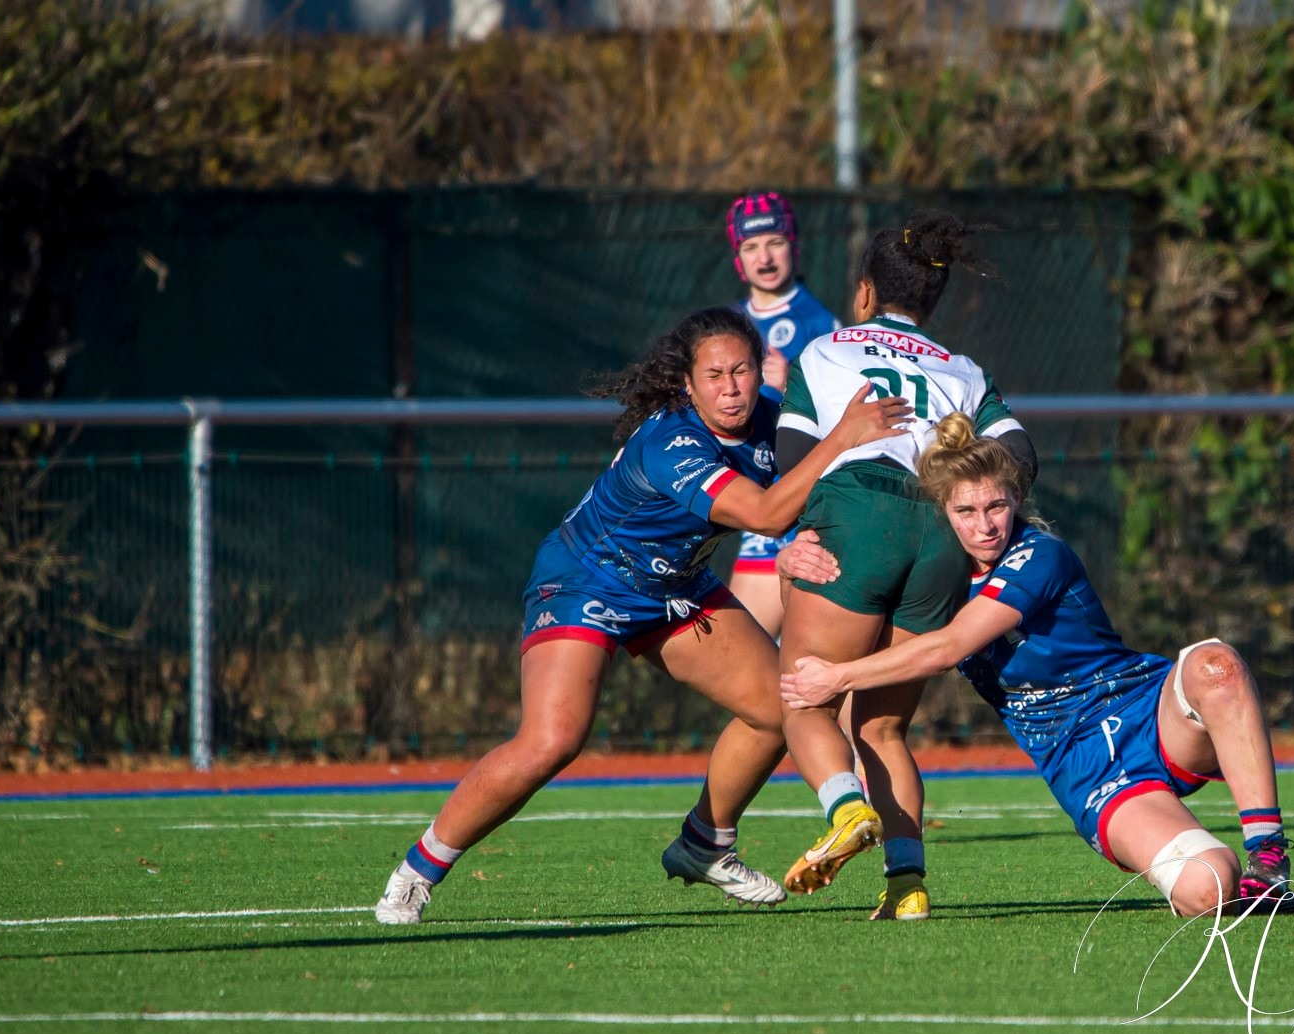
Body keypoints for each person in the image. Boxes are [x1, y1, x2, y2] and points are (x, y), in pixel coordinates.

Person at [374, 305, 909, 924]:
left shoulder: (772, 417)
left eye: (742, 371)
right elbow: (763, 514)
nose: (731, 388)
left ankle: (706, 843)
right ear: (687, 382)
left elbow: (800, 499)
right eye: (713, 376)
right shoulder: (671, 441)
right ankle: (418, 870)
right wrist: (842, 436)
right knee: (553, 739)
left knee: (779, 708)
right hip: (587, 577)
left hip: (675, 586)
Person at [779, 413, 1294, 918]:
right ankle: (1218, 871)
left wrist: (837, 676)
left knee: (1217, 665)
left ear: (1017, 500)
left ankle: (1269, 859)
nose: (986, 526)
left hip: (1146, 709)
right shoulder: (932, 585)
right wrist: (789, 559)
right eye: (966, 512)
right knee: (1210, 887)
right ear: (942, 514)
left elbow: (948, 647)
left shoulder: (1039, 555)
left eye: (997, 506)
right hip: (1084, 768)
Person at [771, 210, 1038, 922]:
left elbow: (795, 465)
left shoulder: (824, 353)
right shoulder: (964, 369)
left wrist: (793, 538)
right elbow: (1021, 459)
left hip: (856, 514)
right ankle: (907, 886)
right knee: (883, 728)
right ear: (933, 299)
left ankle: (847, 808)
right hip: (942, 532)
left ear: (864, 294)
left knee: (804, 699)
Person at [724, 191, 842, 635]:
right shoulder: (728, 322)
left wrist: (793, 381)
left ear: (793, 244)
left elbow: (847, 419)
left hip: (805, 515)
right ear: (738, 258)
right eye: (751, 247)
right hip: (755, 514)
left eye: (774, 242)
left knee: (802, 672)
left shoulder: (820, 324)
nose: (764, 256)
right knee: (751, 670)